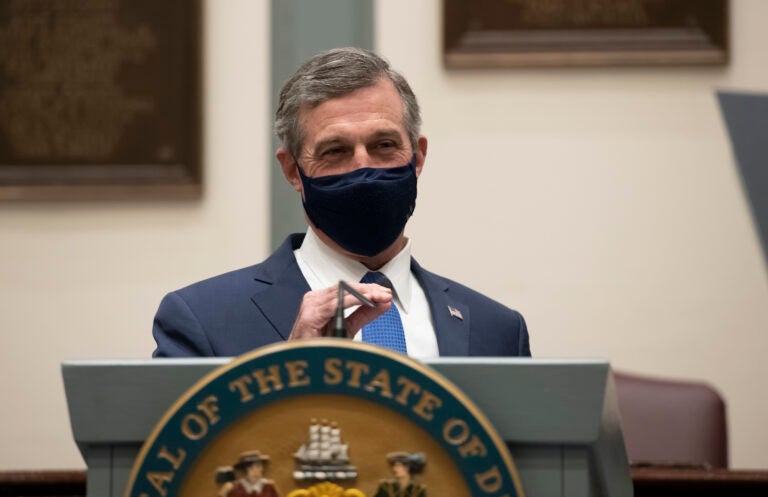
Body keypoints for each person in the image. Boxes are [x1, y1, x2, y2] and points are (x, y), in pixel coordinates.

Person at [152, 47, 530, 358]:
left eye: (384, 145)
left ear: (417, 158)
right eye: (335, 150)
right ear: (293, 170)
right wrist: (290, 374)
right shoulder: (202, 321)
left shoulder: (497, 331)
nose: (363, 167)